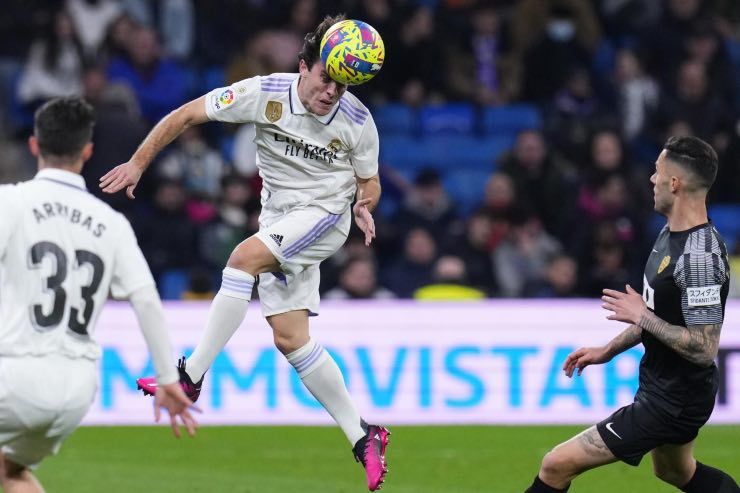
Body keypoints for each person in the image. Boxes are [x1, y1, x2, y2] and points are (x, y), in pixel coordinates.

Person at [98, 14, 390, 491]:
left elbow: (370, 179)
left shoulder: (358, 121)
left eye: (342, 85)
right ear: (304, 65)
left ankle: (189, 375)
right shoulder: (264, 92)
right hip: (278, 217)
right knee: (291, 340)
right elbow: (184, 116)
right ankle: (363, 435)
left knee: (241, 260)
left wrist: (364, 204)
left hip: (322, 216)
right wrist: (137, 162)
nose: (331, 92)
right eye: (325, 78)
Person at [0, 97, 198, 493]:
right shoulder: (112, 224)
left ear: (34, 145)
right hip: (75, 390)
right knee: (11, 471)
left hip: (15, 375)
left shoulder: (10, 203)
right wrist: (166, 378)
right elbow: (146, 301)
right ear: (87, 152)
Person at [525, 136, 739, 493]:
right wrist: (607, 350)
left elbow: (704, 348)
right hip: (665, 386)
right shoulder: (669, 234)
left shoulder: (700, 255)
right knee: (675, 472)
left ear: (675, 183)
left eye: (657, 172)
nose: (651, 180)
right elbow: (659, 314)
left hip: (674, 400)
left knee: (556, 465)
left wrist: (642, 316)